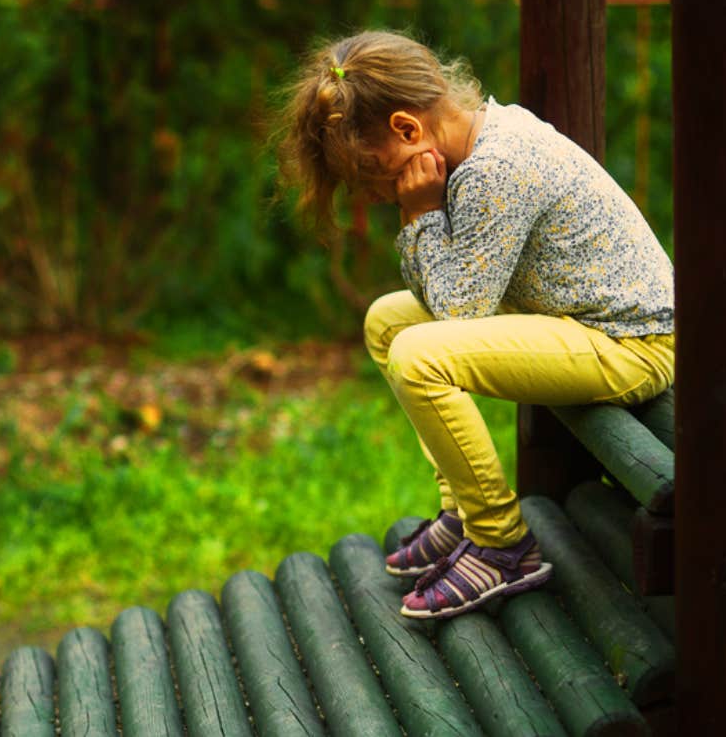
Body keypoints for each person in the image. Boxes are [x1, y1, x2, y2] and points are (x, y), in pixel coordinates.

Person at [275, 31, 675, 619]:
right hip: (569, 319)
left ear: (409, 130)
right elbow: (444, 297)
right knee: (388, 322)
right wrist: (424, 216)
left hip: (631, 344)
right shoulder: (477, 144)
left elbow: (457, 313)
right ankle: (463, 506)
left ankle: (501, 543)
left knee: (418, 355)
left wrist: (419, 212)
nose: (383, 194)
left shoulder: (495, 170)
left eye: (375, 175)